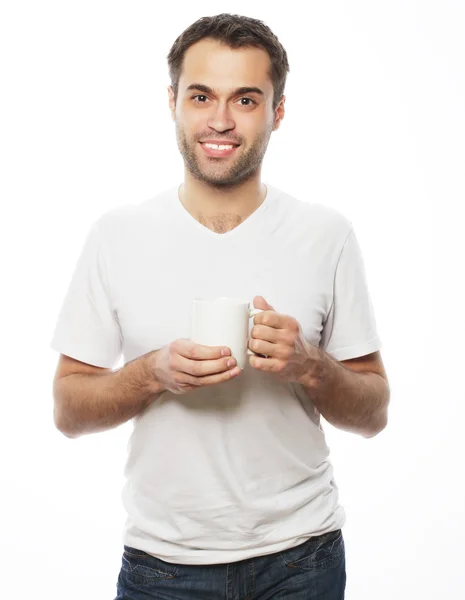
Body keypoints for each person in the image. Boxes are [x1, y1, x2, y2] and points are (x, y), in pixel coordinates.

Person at [50, 13, 390, 600]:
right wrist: (150, 374)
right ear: (173, 102)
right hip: (163, 566)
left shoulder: (325, 234)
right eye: (201, 95)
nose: (221, 120)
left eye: (247, 99)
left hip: (302, 559)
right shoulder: (117, 235)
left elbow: (374, 412)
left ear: (278, 112)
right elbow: (68, 410)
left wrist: (310, 366)